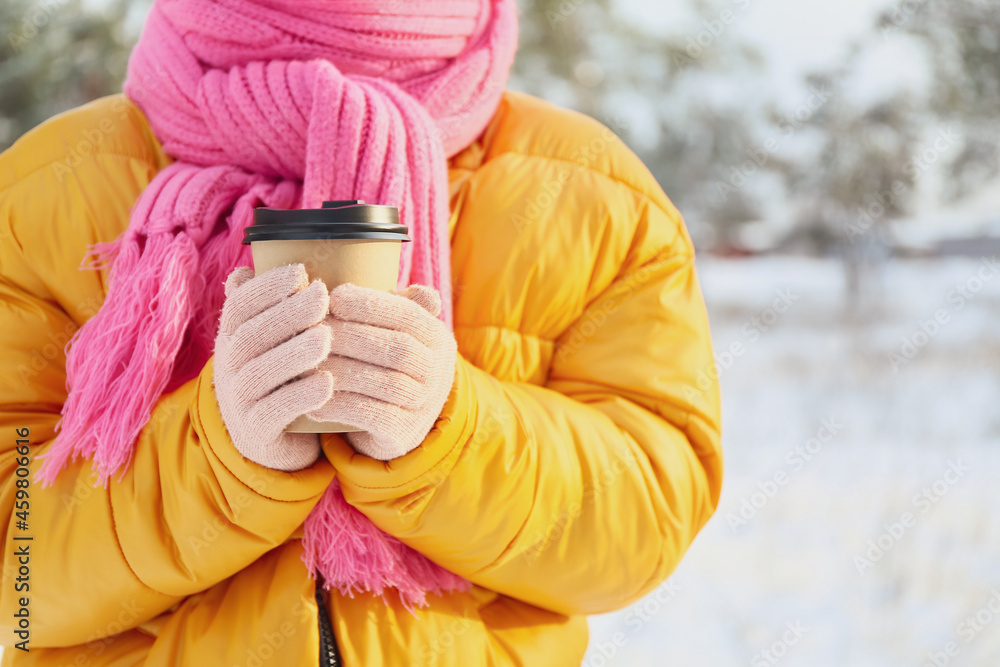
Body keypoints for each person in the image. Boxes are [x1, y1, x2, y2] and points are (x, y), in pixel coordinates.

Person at [0, 0, 723, 664]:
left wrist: (454, 435)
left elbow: (646, 517)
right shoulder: (44, 192)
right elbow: (15, 584)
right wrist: (215, 457)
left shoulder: (594, 195)